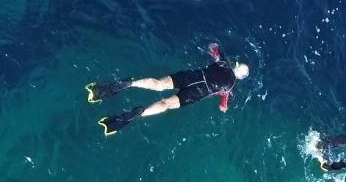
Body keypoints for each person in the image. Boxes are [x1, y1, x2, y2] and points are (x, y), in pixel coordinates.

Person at [88, 44, 250, 136]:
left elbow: (213, 48)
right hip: (197, 93)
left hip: (191, 76)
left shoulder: (223, 62)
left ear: (235, 65)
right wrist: (224, 107)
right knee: (165, 103)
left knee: (159, 83)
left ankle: (129, 84)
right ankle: (138, 113)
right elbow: (223, 107)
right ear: (240, 78)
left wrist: (214, 50)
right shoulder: (231, 88)